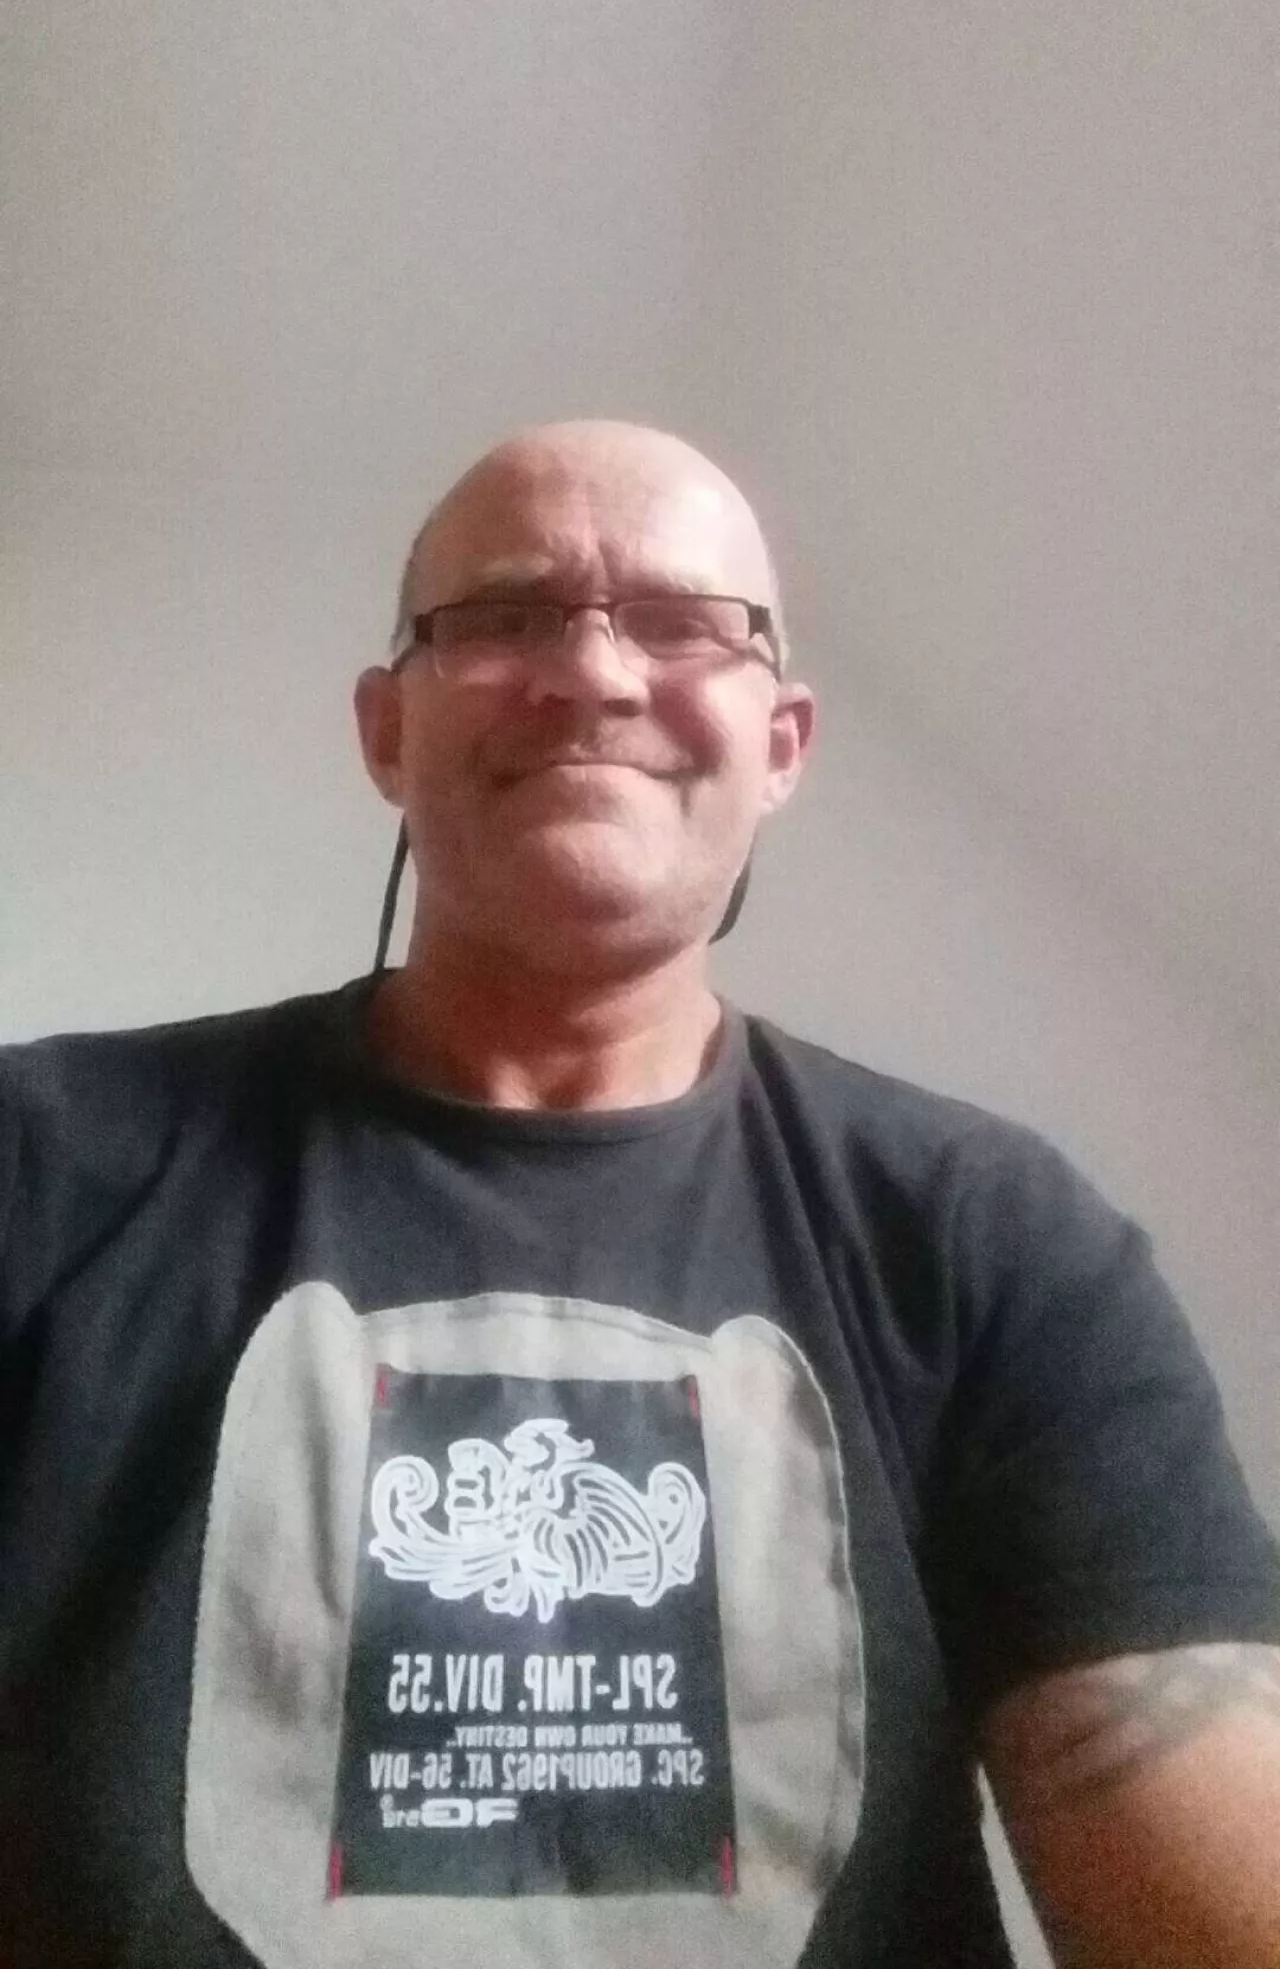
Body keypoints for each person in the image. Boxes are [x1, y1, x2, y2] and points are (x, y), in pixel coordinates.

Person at [1, 418, 1277, 1969]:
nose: (596, 673)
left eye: (683, 624)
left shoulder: (990, 1235)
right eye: (506, 613)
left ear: (781, 744)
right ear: (388, 731)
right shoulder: (39, 1165)